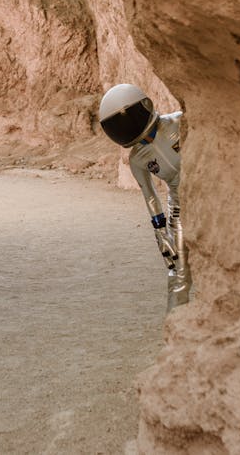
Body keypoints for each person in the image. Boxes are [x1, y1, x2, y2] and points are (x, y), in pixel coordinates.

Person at [98, 84, 193, 310]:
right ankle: (178, 325)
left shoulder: (180, 123)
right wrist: (161, 233)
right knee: (178, 269)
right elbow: (150, 196)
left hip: (208, 195)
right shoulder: (137, 159)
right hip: (179, 208)